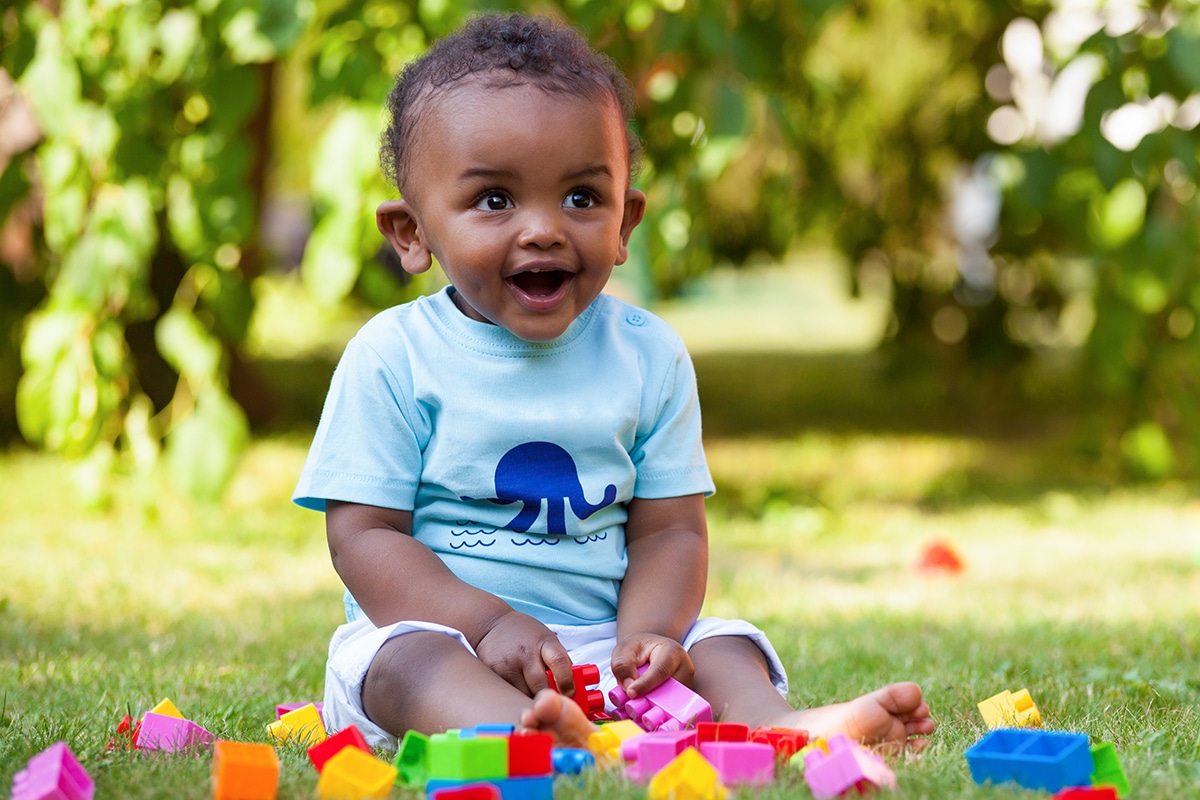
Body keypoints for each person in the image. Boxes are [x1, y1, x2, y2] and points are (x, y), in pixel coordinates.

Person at [293, 12, 935, 753]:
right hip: (452, 641)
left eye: (581, 198)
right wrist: (489, 624)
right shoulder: (393, 356)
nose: (544, 230)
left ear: (626, 221)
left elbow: (669, 530)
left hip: (605, 646)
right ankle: (530, 736)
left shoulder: (648, 357)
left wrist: (649, 637)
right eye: (495, 200)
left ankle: (784, 730)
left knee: (726, 645)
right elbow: (365, 537)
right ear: (412, 233)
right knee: (405, 664)